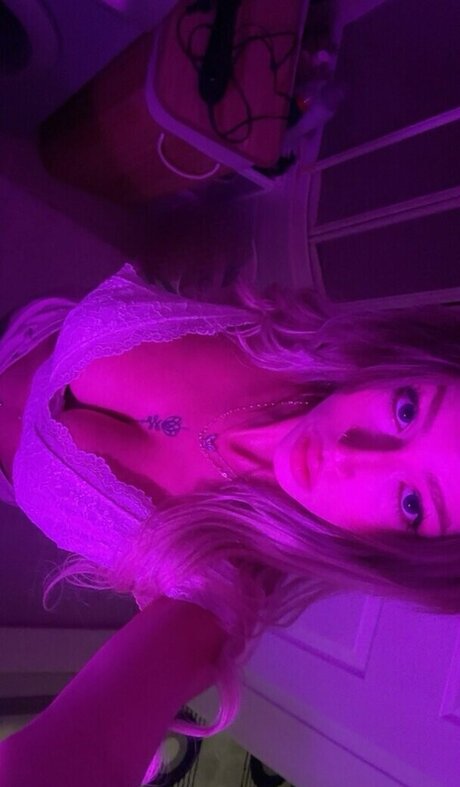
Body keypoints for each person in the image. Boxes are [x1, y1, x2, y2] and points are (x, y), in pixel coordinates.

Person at [1, 260, 460, 785]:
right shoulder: (290, 341)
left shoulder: (217, 587)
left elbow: (90, 750)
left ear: (397, 553)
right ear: (397, 366)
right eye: (406, 411)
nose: (350, 453)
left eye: (411, 504)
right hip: (28, 331)